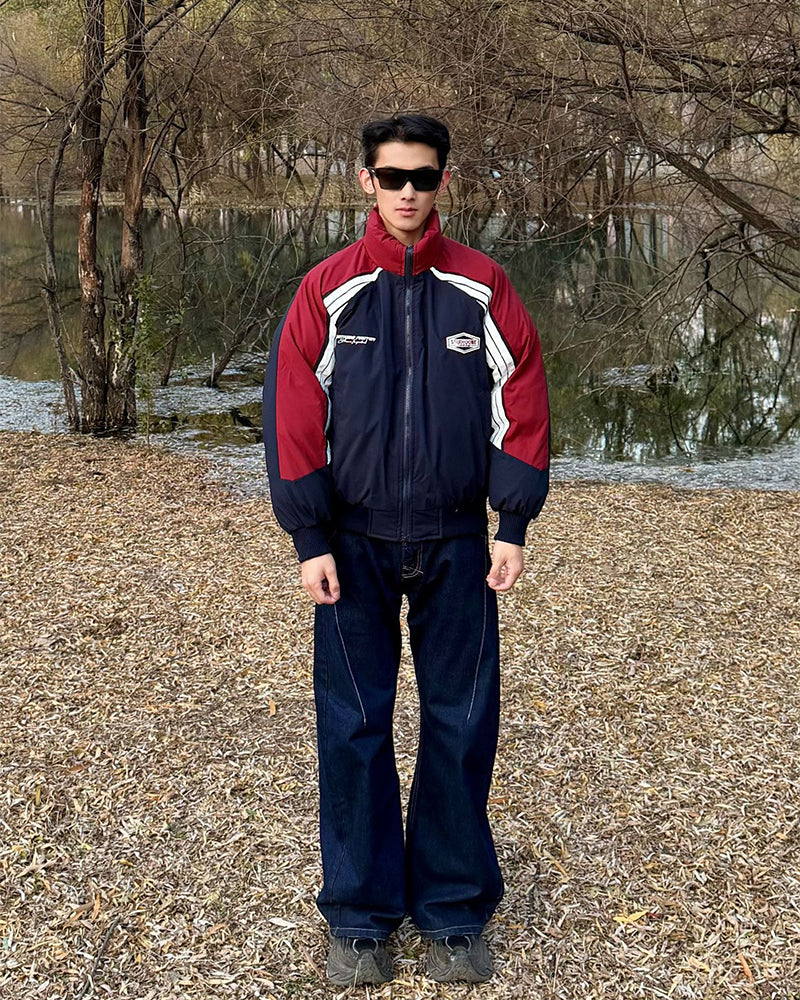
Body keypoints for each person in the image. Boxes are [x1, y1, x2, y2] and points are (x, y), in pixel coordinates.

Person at [263, 113, 549, 985]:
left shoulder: (483, 287)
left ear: (443, 182)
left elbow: (522, 397)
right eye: (392, 177)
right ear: (366, 181)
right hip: (353, 544)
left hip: (458, 540)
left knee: (460, 722)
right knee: (354, 726)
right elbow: (293, 414)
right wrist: (309, 537)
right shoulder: (328, 290)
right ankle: (359, 916)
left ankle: (453, 910)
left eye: (424, 177)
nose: (408, 193)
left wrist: (512, 524)